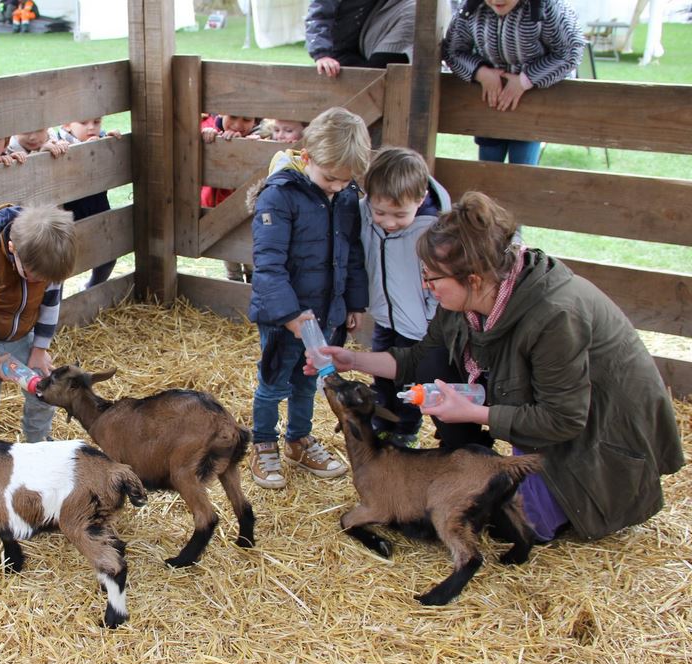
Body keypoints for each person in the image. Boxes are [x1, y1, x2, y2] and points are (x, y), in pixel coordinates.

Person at [311, 191, 684, 541]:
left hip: (601, 436)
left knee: (517, 528)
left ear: (472, 278)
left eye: (432, 278)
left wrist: (475, 411)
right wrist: (353, 359)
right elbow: (422, 359)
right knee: (444, 372)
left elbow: (564, 418)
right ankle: (472, 460)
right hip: (553, 417)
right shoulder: (471, 299)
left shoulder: (554, 316)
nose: (426, 287)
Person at [247, 107, 370, 489]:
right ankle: (263, 443)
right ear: (309, 156)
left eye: (344, 180)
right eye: (330, 177)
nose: (336, 186)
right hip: (287, 317)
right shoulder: (280, 195)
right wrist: (289, 315)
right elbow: (268, 264)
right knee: (274, 382)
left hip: (327, 313)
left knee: (309, 381)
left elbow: (352, 254)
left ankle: (298, 439)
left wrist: (354, 302)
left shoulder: (347, 195)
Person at [0, 204, 76, 444]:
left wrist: (40, 350)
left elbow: (50, 306)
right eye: (33, 276)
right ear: (13, 250)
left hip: (21, 338)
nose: (39, 282)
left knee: (45, 390)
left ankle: (39, 443)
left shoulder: (48, 264)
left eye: (46, 279)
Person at [358, 147, 451, 447]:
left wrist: (429, 314)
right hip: (385, 317)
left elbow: (439, 281)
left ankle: (406, 429)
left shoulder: (433, 230)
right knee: (382, 376)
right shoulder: (365, 214)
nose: (388, 222)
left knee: (411, 382)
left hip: (418, 325)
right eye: (380, 212)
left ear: (421, 198)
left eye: (400, 214)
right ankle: (383, 421)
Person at [442, 0, 584, 165]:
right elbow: (452, 50)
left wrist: (525, 80)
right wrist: (481, 73)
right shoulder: (472, 8)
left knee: (523, 167)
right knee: (488, 170)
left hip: (532, 106)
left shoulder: (548, 7)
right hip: (489, 107)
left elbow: (571, 51)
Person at [55, 117, 121, 290]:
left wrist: (109, 144)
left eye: (97, 122)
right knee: (61, 261)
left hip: (98, 206)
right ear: (66, 124)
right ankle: (57, 303)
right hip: (70, 210)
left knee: (108, 255)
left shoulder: (101, 139)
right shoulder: (58, 143)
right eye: (83, 123)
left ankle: (93, 287)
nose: (91, 127)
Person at [200, 113, 260, 284]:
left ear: (255, 120)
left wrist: (251, 144)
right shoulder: (210, 125)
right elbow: (193, 132)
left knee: (250, 253)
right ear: (220, 113)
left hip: (249, 210)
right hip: (219, 208)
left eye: (247, 119)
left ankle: (251, 285)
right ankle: (234, 284)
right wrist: (209, 134)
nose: (237, 124)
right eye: (232, 117)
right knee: (228, 253)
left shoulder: (261, 135)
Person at [306, 0, 416, 77]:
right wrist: (322, 54)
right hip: (340, 53)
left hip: (371, 38)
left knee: (415, 9)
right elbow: (318, 15)